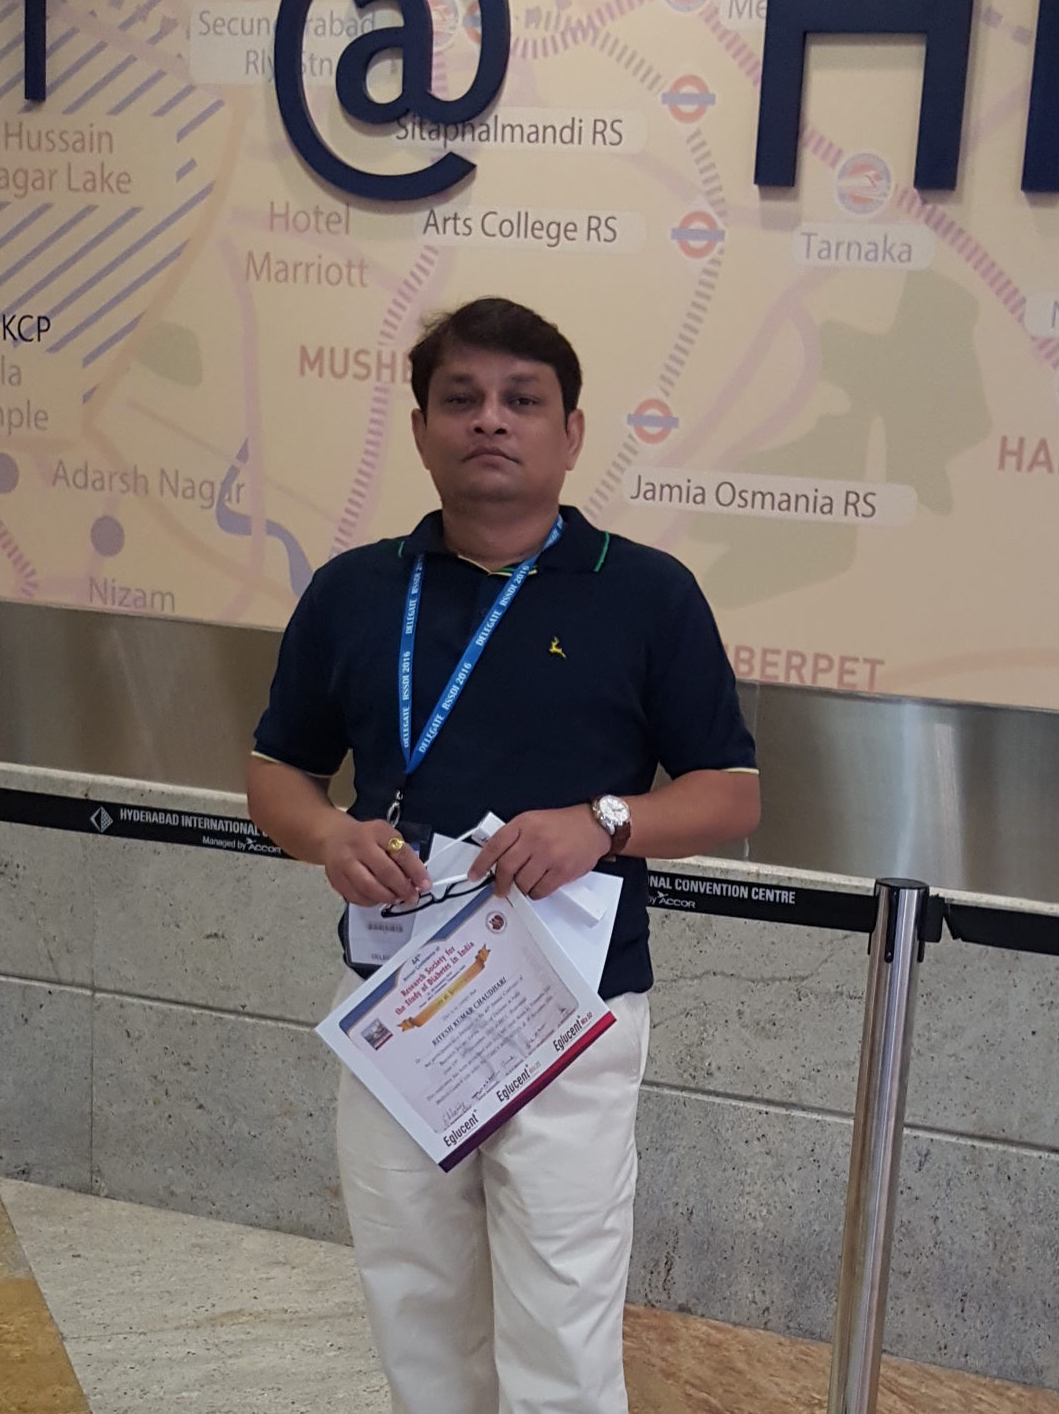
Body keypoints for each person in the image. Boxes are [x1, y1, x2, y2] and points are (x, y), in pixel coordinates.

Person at [247, 296, 760, 1414]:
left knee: (561, 1316)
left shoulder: (646, 592)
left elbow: (731, 794)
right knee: (415, 1299)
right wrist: (328, 833)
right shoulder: (354, 589)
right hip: (400, 1001)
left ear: (569, 433)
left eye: (521, 400)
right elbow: (275, 771)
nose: (490, 420)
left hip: (569, 1010)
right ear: (421, 428)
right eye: (461, 399)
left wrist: (604, 822)